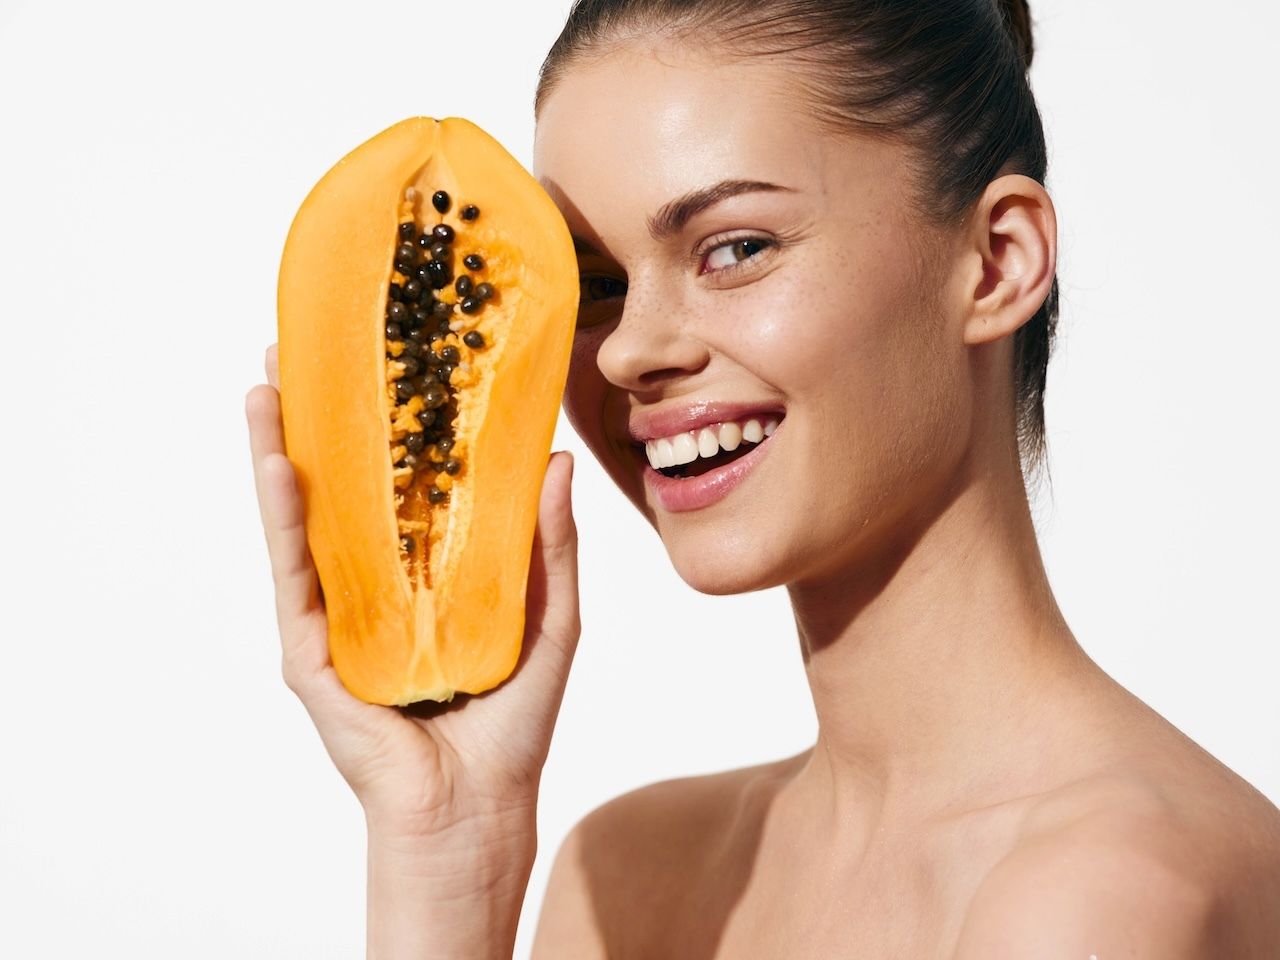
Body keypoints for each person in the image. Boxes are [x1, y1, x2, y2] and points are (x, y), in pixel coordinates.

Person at [247, 0, 1280, 955]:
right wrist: (446, 857)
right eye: (597, 284)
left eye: (734, 247)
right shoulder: (627, 873)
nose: (621, 352)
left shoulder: (1100, 896)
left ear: (997, 261)